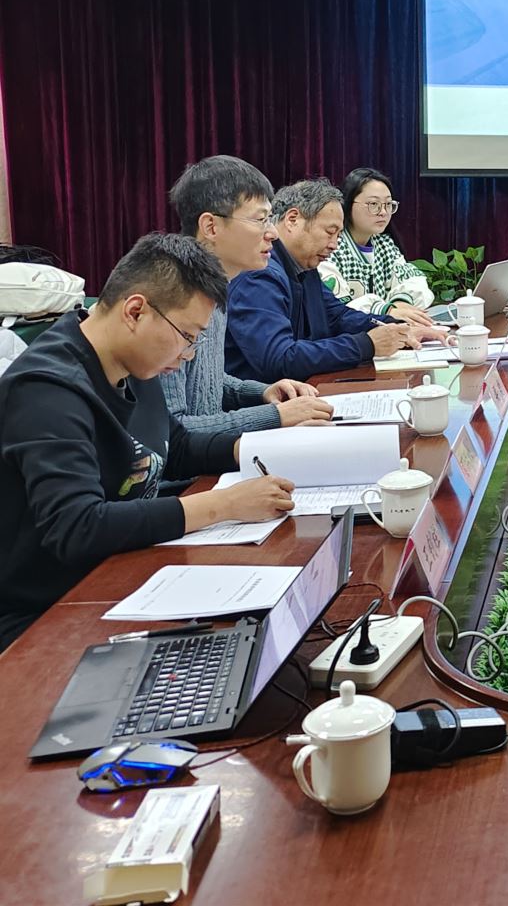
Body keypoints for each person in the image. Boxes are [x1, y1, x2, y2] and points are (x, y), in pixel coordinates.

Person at [0, 233, 295, 651]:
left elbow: (175, 448)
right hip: (47, 615)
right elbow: (77, 527)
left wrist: (271, 452)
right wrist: (224, 505)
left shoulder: (131, 363)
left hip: (122, 575)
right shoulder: (46, 389)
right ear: (135, 311)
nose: (188, 354)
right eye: (187, 336)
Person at [164, 155, 333, 437]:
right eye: (260, 220)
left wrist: (262, 392)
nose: (273, 233)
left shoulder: (215, 288)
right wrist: (274, 416)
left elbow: (205, 383)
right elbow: (172, 433)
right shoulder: (170, 301)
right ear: (211, 227)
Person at [226, 179, 440, 383]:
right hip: (263, 401)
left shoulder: (305, 267)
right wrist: (367, 344)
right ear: (292, 220)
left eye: (338, 235)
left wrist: (397, 328)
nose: (334, 245)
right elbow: (280, 358)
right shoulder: (259, 273)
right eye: (330, 233)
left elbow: (338, 316)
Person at [319, 167, 435, 326]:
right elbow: (336, 310)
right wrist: (385, 310)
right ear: (347, 203)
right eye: (373, 204)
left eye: (388, 204)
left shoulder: (385, 245)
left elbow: (415, 282)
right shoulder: (331, 247)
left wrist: (401, 303)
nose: (383, 212)